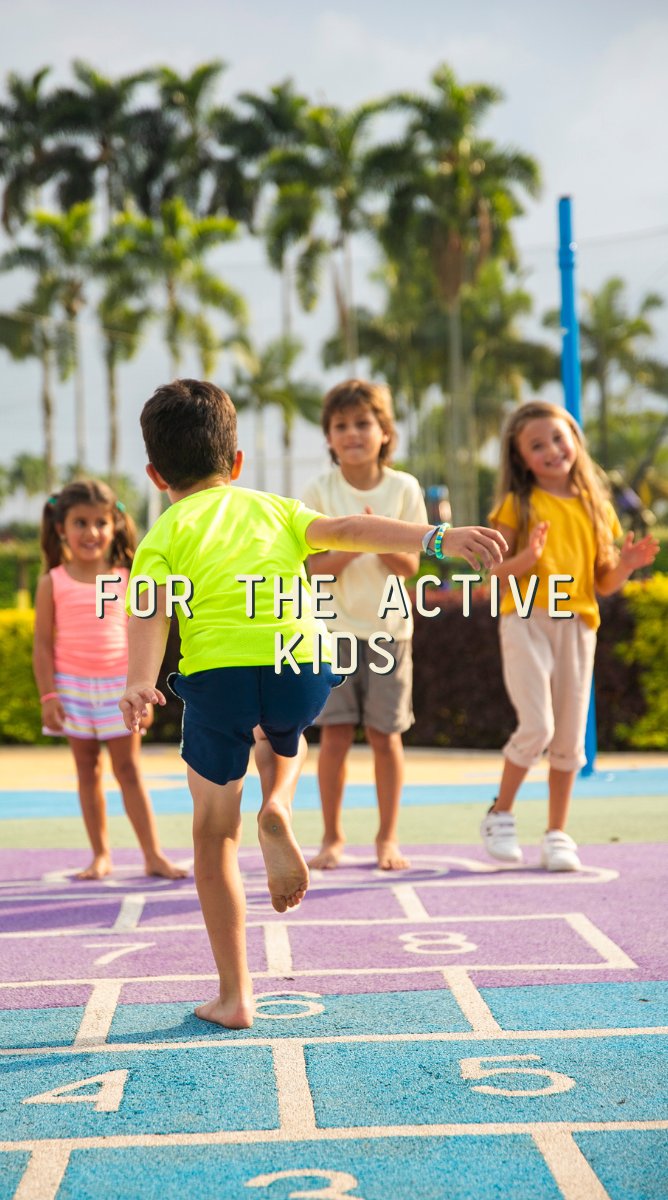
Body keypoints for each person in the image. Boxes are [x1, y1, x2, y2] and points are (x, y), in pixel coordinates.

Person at [119, 378, 506, 1028]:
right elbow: (353, 528)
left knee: (214, 833)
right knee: (289, 734)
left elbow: (150, 610)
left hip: (218, 673)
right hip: (299, 662)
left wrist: (138, 680)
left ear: (157, 474)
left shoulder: (161, 536)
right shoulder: (273, 508)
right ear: (237, 464)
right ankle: (280, 801)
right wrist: (437, 539)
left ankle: (235, 996)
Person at [482, 400, 658, 871]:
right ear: (521, 459)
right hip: (526, 616)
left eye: (559, 438)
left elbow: (603, 583)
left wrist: (625, 565)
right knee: (537, 725)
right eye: (537, 445)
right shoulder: (516, 504)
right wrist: (530, 556)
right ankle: (501, 813)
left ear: (575, 442)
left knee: (569, 736)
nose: (552, 450)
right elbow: (494, 574)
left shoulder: (598, 509)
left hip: (578, 624)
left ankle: (557, 833)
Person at [32, 479, 187, 882]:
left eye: (101, 523)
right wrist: (49, 696)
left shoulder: (128, 575)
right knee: (86, 771)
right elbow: (43, 647)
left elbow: (148, 631)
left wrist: (143, 691)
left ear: (115, 525)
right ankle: (101, 855)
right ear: (61, 527)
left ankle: (153, 855)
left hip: (121, 690)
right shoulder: (53, 582)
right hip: (73, 692)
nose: (91, 532)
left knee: (129, 770)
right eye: (80, 522)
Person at [302, 379, 428, 871]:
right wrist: (352, 538)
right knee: (333, 737)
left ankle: (386, 839)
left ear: (384, 431)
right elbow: (312, 567)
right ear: (329, 437)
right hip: (330, 634)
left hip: (389, 633)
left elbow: (410, 566)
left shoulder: (404, 488)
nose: (352, 433)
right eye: (340, 425)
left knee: (385, 736)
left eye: (362, 423)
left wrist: (376, 536)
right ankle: (332, 837)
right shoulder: (319, 491)